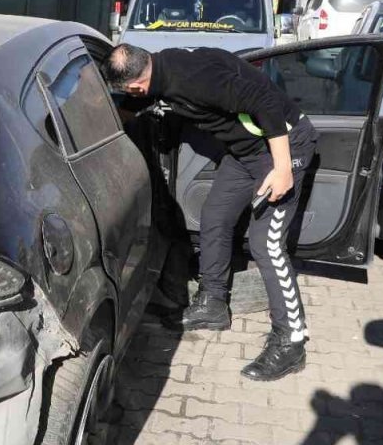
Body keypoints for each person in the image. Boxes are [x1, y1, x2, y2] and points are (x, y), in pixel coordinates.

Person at [104, 44, 318, 381]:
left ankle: (291, 342)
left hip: (283, 147)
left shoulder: (193, 78)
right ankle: (213, 304)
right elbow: (134, 107)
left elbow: (264, 100)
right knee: (215, 216)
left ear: (135, 83)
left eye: (132, 91)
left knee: (267, 244)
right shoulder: (160, 70)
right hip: (245, 152)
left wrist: (282, 169)